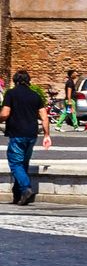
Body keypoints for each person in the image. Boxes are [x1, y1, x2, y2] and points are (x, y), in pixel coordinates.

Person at [3, 71, 51, 205]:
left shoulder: (11, 93)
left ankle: (26, 189)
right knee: (23, 164)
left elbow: (5, 113)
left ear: (15, 81)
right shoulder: (35, 95)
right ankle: (17, 194)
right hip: (31, 134)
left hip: (17, 133)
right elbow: (44, 117)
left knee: (15, 163)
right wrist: (47, 135)